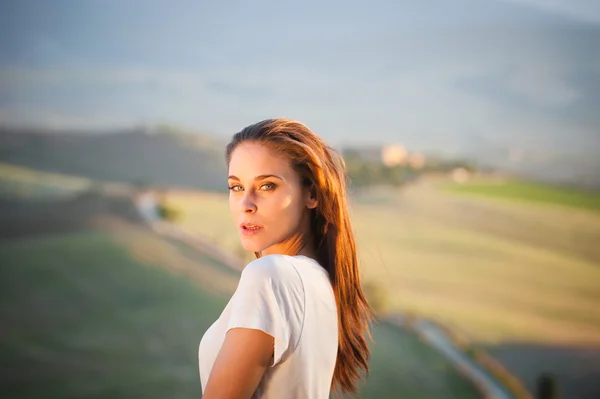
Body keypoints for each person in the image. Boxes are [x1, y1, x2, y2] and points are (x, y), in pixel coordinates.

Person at [198, 118, 372, 398]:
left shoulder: (270, 276)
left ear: (312, 193)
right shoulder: (319, 282)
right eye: (236, 187)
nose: (246, 205)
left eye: (267, 186)